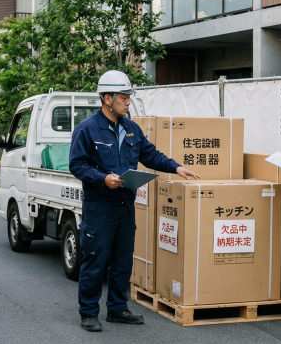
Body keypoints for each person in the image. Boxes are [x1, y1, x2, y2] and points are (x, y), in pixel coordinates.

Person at [68, 70, 201, 332]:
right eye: (124, 97)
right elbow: (76, 165)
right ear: (107, 98)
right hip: (100, 207)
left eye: (128, 97)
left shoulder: (132, 129)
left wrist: (176, 167)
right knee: (95, 260)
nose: (128, 102)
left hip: (126, 206)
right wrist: (102, 178)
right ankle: (89, 313)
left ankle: (117, 309)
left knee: (122, 260)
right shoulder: (87, 129)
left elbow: (150, 155)